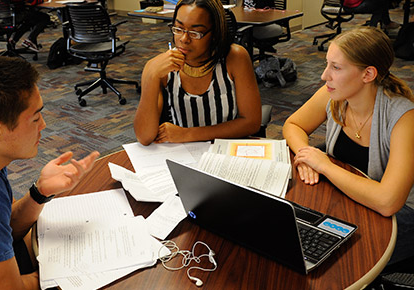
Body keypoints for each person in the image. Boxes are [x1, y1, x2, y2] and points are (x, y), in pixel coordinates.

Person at [0, 55, 100, 289]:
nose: (43, 126)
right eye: (36, 117)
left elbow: (1, 226)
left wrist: (40, 192)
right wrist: (69, 270)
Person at [283, 27, 414, 266]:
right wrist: (306, 156)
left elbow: (388, 202)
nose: (324, 76)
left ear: (368, 74)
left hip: (398, 217)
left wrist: (324, 165)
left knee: (336, 263)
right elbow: (293, 125)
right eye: (327, 64)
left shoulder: (404, 118)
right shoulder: (335, 95)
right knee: (295, 241)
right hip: (349, 200)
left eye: (336, 67)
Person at [134, 0, 262, 146]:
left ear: (214, 33)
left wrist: (188, 134)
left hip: (226, 149)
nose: (184, 39)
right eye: (178, 28)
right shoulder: (158, 68)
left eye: (195, 33)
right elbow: (144, 137)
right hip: (183, 153)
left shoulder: (235, 58)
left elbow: (251, 123)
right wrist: (150, 77)